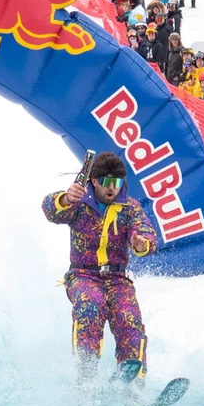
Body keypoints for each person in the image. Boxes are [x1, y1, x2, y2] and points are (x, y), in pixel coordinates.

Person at [43, 151, 157, 377]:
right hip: (83, 275)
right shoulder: (80, 202)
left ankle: (131, 382)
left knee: (129, 318)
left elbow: (145, 231)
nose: (112, 188)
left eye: (117, 183)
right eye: (106, 183)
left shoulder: (129, 207)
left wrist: (142, 243)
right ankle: (86, 375)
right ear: (95, 181)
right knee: (90, 307)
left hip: (117, 278)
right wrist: (65, 198)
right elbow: (50, 210)